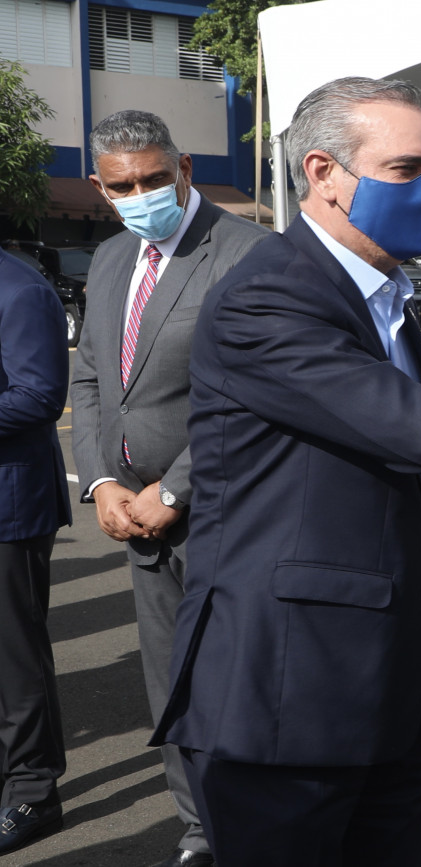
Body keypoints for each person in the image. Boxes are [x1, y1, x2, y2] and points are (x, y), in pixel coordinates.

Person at [148, 76, 421, 866]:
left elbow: (382, 486)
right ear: (324, 173)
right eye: (405, 169)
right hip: (284, 701)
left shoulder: (382, 299)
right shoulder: (269, 295)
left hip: (383, 692)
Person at [69, 109, 269, 867]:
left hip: (223, 514)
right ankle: (199, 832)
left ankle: (252, 830)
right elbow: (92, 379)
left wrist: (176, 488)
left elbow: (255, 391)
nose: (140, 196)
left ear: (184, 169)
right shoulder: (112, 256)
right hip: (135, 519)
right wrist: (102, 481)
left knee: (237, 684)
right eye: (122, 186)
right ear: (99, 186)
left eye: (154, 179)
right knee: (170, 686)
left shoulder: (248, 252)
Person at [0, 248, 71, 855]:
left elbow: (39, 395)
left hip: (9, 507)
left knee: (14, 659)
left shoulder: (20, 290)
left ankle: (33, 791)